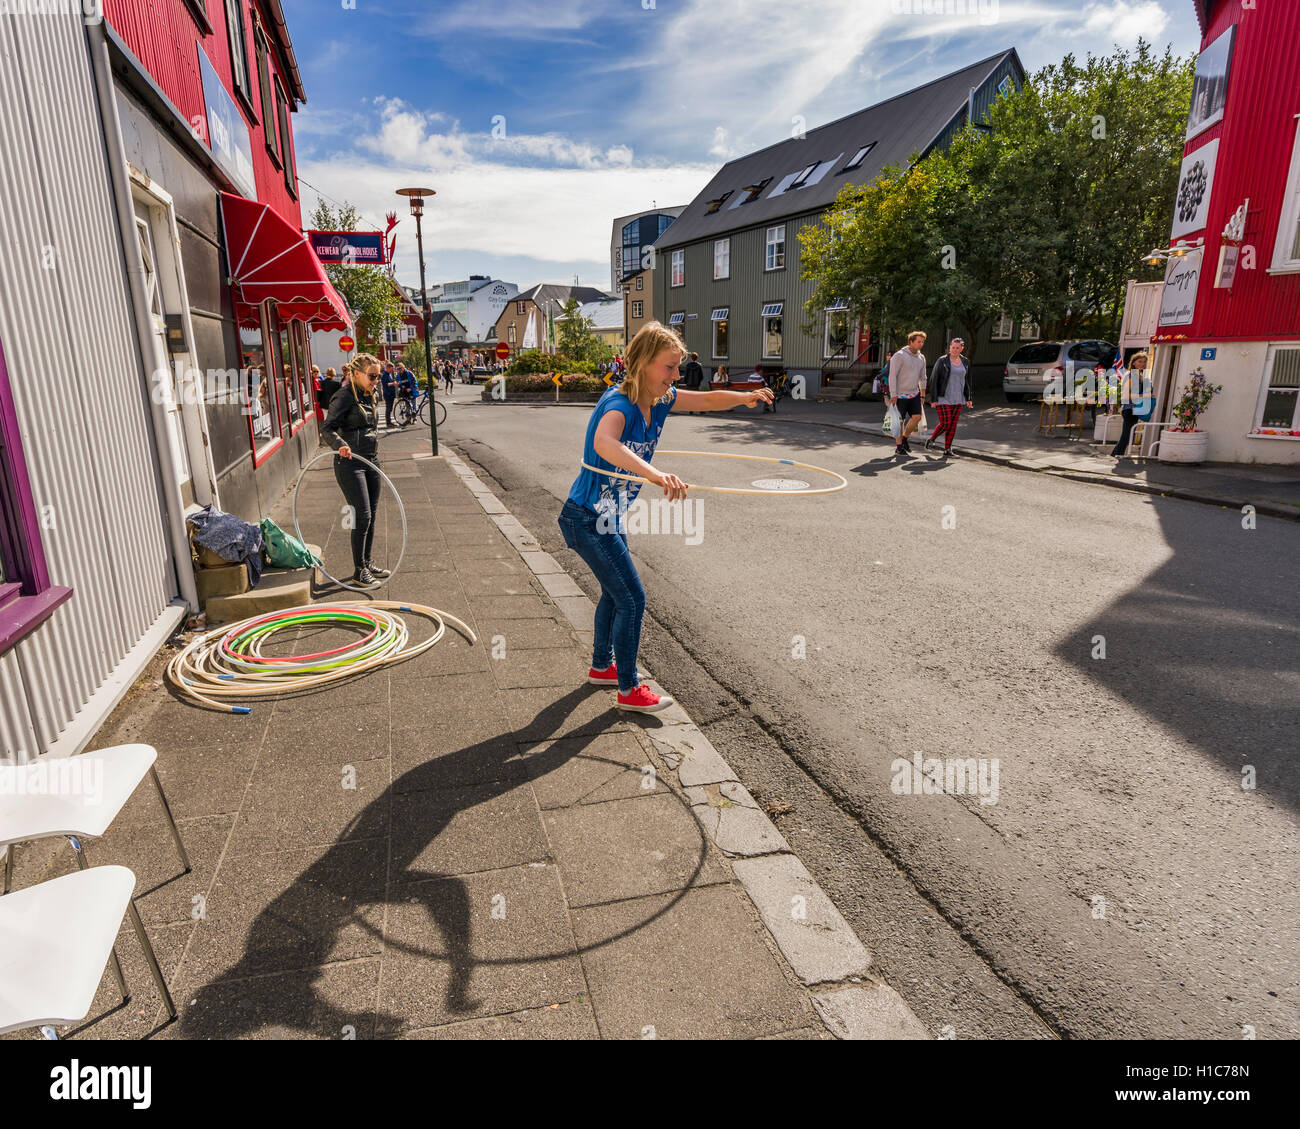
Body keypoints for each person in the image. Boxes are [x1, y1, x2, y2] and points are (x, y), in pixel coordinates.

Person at [558, 322, 773, 714]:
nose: (676, 376)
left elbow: (705, 401)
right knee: (633, 598)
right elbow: (603, 443)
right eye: (669, 367)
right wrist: (655, 475)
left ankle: (602, 667)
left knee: (615, 593)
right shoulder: (619, 405)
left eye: (678, 368)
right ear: (642, 364)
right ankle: (628, 689)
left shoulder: (660, 399)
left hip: (609, 516)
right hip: (587, 518)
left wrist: (743, 399)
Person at [321, 353, 387, 589]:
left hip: (371, 459)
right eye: (372, 376)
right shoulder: (344, 396)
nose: (376, 380)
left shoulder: (371, 394)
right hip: (350, 463)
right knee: (362, 515)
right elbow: (327, 428)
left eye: (378, 376)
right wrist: (340, 445)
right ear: (356, 374)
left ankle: (367, 563)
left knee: (373, 514)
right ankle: (359, 570)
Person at [924, 337, 973, 456]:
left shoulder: (966, 361)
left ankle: (947, 449)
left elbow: (968, 380)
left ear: (962, 348)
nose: (955, 350)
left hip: (958, 397)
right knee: (946, 423)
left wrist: (969, 398)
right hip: (943, 397)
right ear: (949, 347)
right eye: (953, 347)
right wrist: (933, 398)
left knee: (953, 425)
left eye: (957, 348)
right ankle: (931, 440)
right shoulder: (942, 361)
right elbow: (934, 379)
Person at [888, 331, 927, 456]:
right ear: (911, 342)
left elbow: (923, 377)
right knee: (900, 421)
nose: (921, 344)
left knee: (917, 418)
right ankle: (899, 447)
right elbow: (892, 375)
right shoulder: (899, 356)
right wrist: (893, 394)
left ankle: (904, 438)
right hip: (899, 395)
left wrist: (922, 394)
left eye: (922, 342)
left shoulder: (921, 358)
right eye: (918, 342)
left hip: (914, 393)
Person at [1111, 351, 1151, 457]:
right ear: (1133, 363)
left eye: (1144, 362)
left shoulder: (1141, 375)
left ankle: (1116, 454)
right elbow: (1125, 396)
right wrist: (1144, 396)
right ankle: (1117, 455)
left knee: (1129, 435)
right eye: (1139, 361)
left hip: (1137, 408)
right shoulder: (1130, 375)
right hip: (1129, 409)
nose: (1142, 364)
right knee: (1126, 435)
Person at [379, 362, 397, 428]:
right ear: (388, 368)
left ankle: (389, 422)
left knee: (390, 409)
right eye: (392, 369)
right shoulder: (384, 375)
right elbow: (386, 384)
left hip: (390, 394)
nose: (392, 370)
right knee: (388, 409)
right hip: (388, 394)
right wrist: (393, 383)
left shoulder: (389, 374)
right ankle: (388, 423)